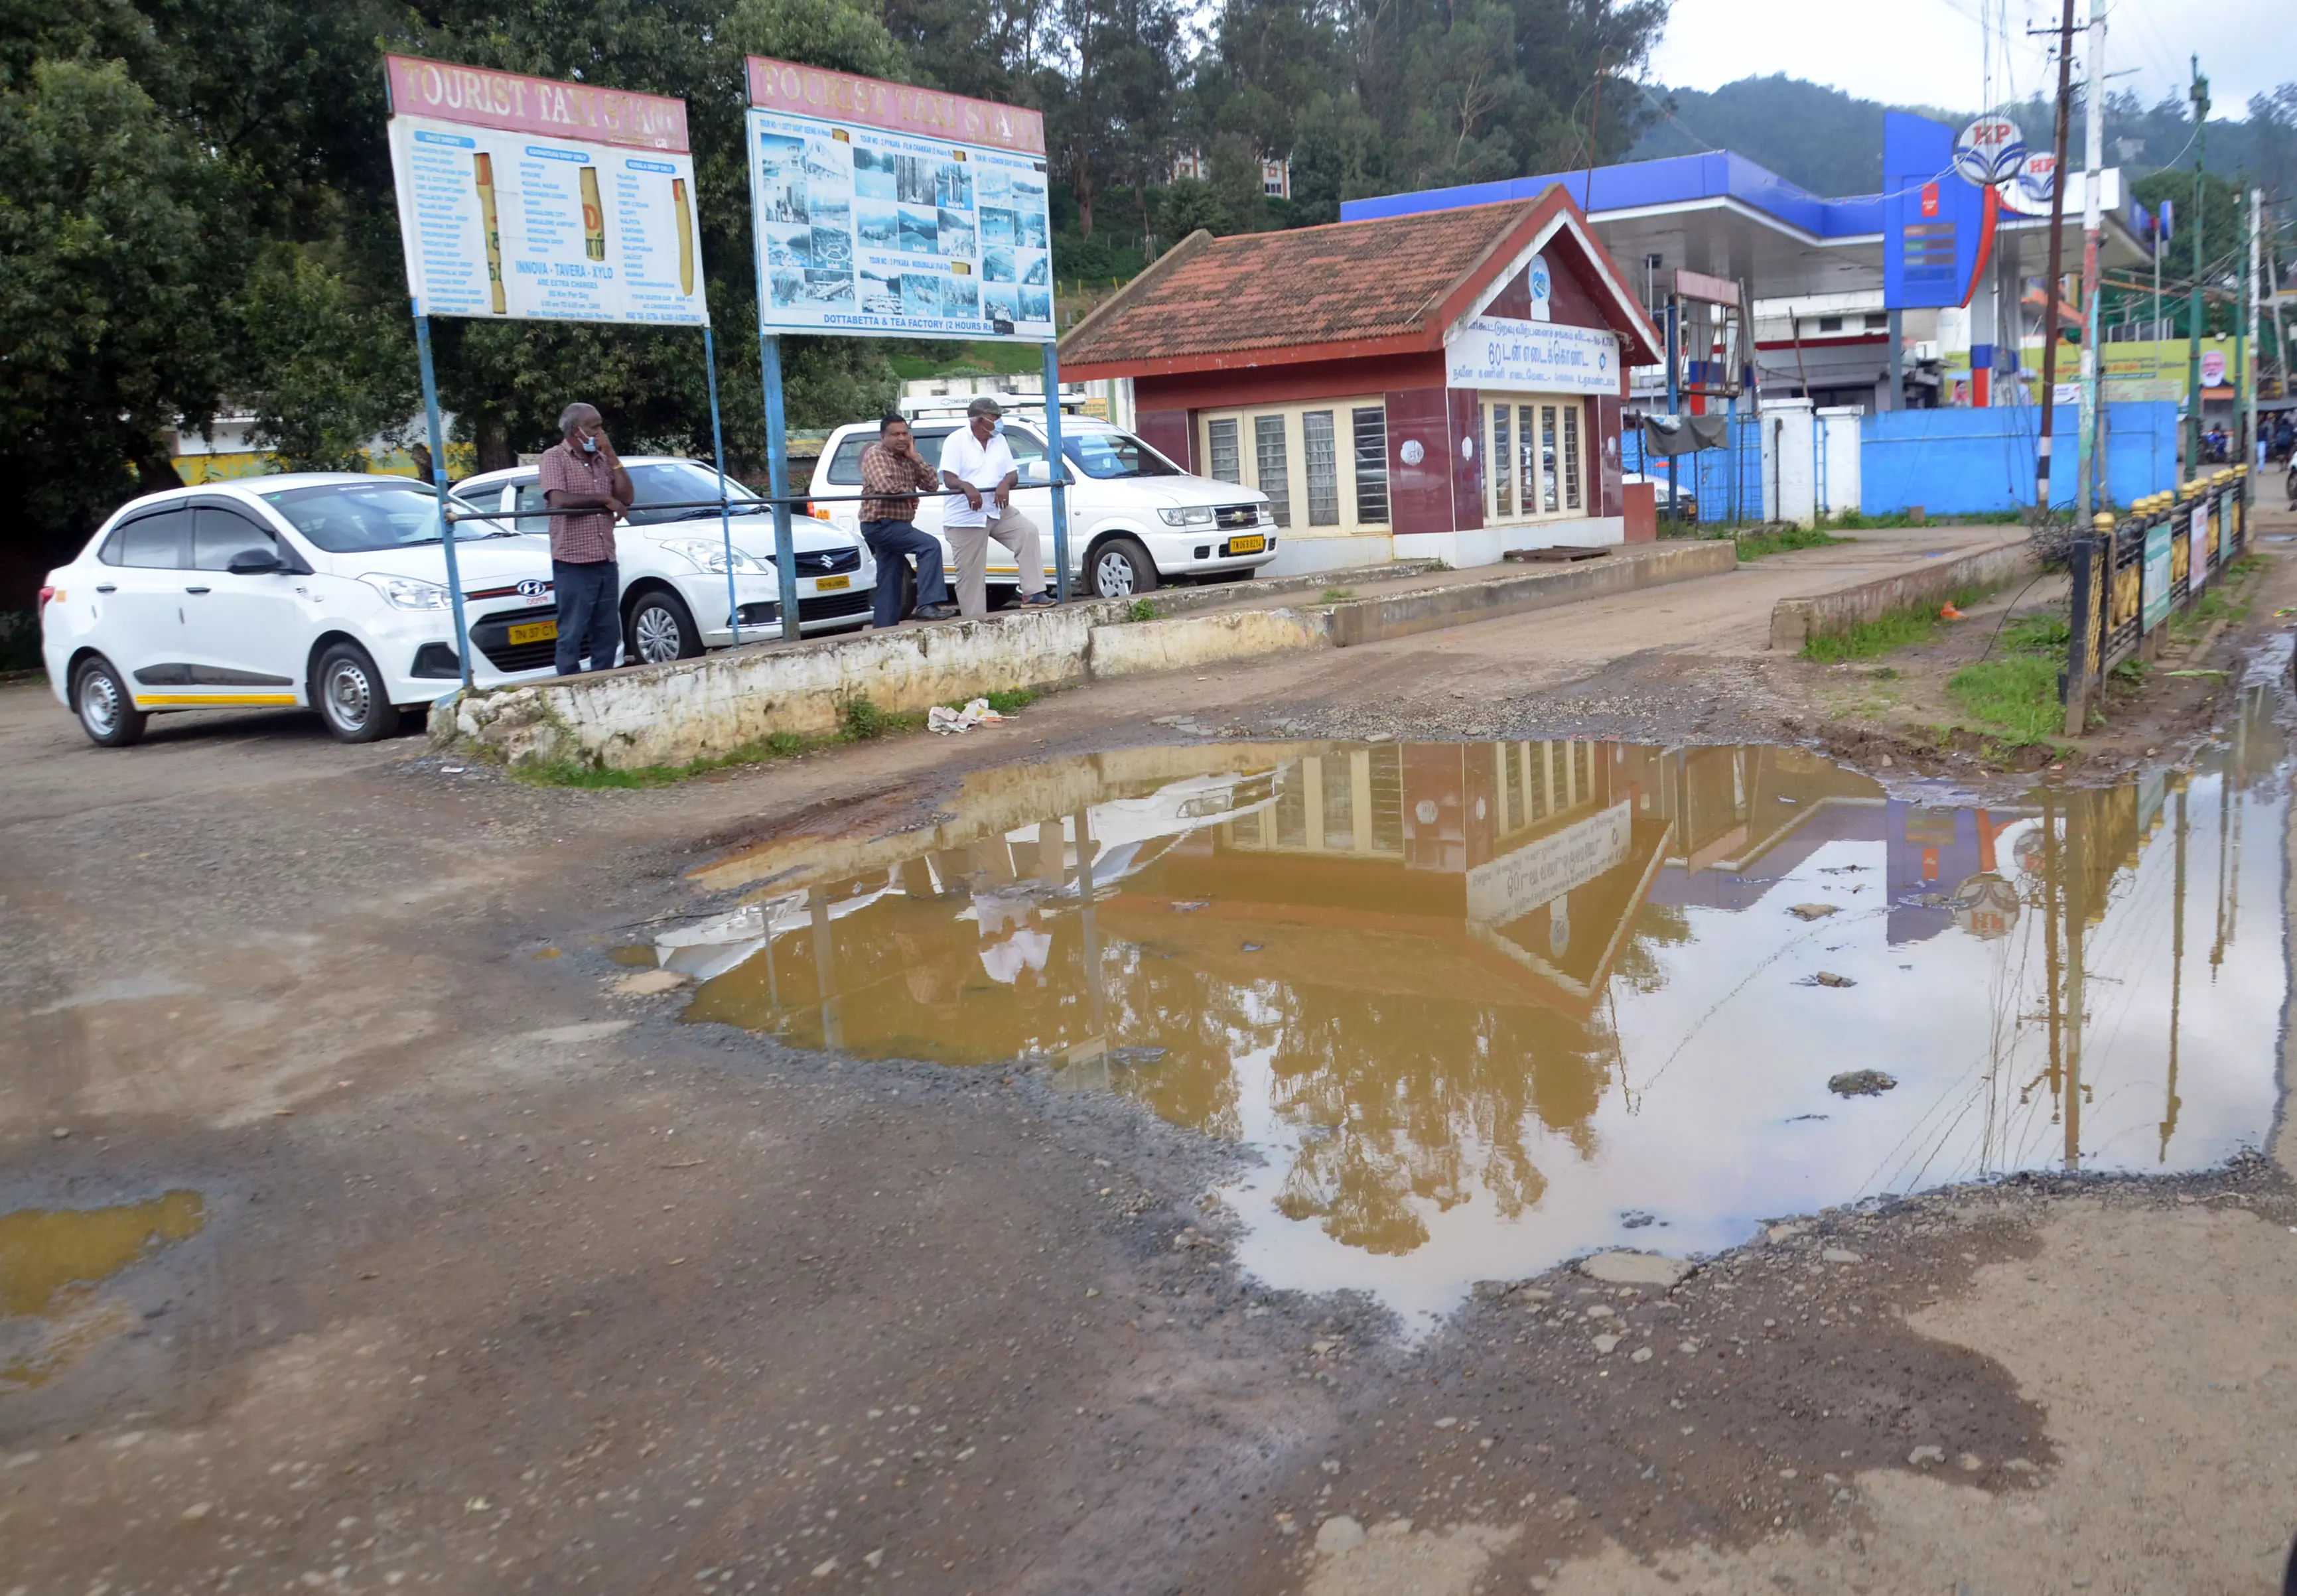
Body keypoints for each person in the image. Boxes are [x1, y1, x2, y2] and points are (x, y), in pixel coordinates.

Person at [938, 396, 1056, 616]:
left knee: (1027, 532)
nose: (1000, 421)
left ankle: (1033, 594)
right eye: (995, 417)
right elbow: (949, 478)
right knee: (971, 574)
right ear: (979, 420)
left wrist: (1005, 483)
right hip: (967, 516)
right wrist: (966, 486)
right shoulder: (956, 441)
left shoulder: (999, 440)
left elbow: (1012, 474)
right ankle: (974, 620)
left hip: (996, 508)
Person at [539, 401, 632, 674]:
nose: (600, 434)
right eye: (594, 428)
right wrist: (604, 499)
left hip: (605, 558)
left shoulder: (602, 460)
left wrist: (612, 456)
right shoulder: (555, 457)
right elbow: (559, 500)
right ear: (575, 430)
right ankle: (568, 684)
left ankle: (603, 681)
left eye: (601, 427)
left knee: (607, 631)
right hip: (573, 562)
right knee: (572, 631)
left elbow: (626, 498)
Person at [857, 414, 958, 628]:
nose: (902, 438)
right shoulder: (875, 454)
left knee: (890, 579)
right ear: (883, 437)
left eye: (905, 434)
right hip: (880, 523)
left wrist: (915, 457)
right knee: (929, 546)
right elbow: (885, 486)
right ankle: (927, 605)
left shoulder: (908, 459)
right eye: (895, 434)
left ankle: (884, 631)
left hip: (900, 524)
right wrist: (909, 495)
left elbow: (932, 485)